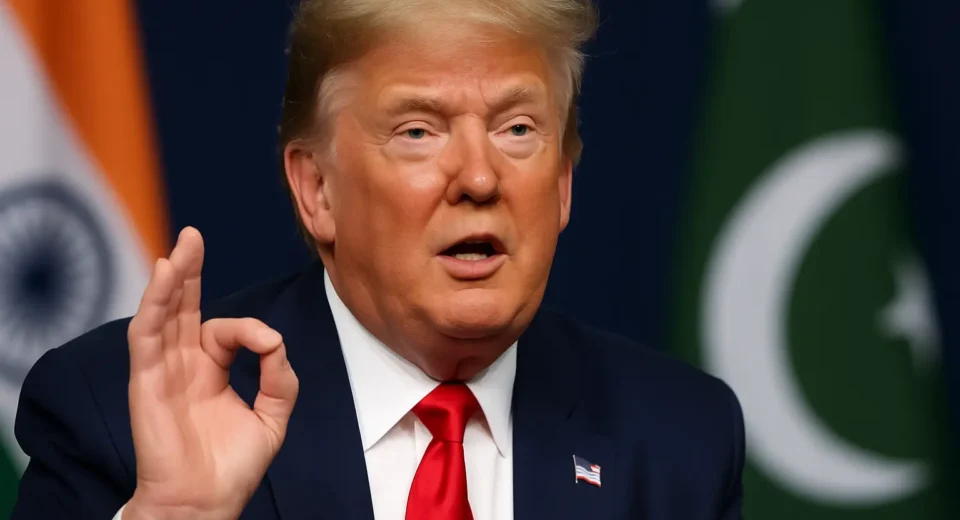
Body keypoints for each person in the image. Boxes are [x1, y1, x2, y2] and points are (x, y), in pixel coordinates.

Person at [11, 0, 745, 518]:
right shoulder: (116, 415)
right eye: (419, 131)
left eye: (518, 129)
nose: (480, 177)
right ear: (317, 190)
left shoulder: (677, 440)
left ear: (562, 185)